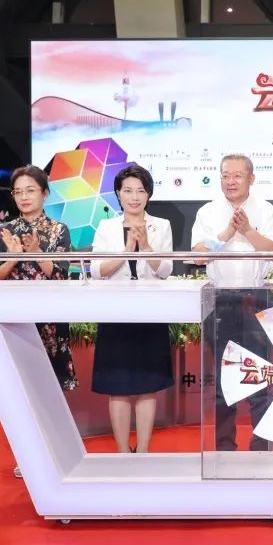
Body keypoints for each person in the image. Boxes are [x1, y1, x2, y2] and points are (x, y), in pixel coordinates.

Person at [191, 154, 273, 450]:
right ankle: (224, 447)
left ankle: (261, 447)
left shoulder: (266, 210)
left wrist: (248, 231)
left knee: (260, 377)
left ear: (251, 178)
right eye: (225, 176)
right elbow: (198, 256)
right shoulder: (208, 211)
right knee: (223, 381)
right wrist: (228, 233)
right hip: (220, 300)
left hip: (256, 299)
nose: (230, 181)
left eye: (237, 176)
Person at [90, 164, 174, 453]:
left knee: (148, 384)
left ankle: (144, 450)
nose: (134, 197)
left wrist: (146, 245)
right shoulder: (106, 227)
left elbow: (165, 270)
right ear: (118, 194)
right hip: (115, 312)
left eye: (140, 191)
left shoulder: (161, 225)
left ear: (148, 195)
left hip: (151, 312)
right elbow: (97, 271)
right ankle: (123, 452)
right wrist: (127, 249)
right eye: (128, 191)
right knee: (118, 386)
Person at [0, 165, 77, 392]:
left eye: (30, 190)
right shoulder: (5, 231)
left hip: (49, 314)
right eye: (18, 192)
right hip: (14, 314)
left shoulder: (59, 230)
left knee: (52, 386)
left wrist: (37, 253)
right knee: (17, 384)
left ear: (44, 193)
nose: (24, 197)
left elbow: (61, 275)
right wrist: (13, 258)